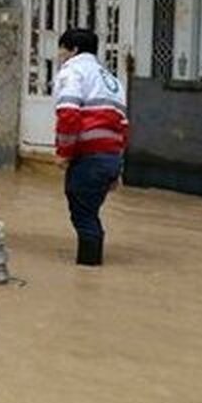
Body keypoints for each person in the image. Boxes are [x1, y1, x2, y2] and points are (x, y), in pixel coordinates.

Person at [54, 28, 128, 266]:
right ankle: (90, 263)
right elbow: (124, 126)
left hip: (89, 156)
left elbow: (68, 114)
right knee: (89, 210)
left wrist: (63, 152)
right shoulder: (112, 80)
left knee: (83, 214)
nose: (59, 55)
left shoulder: (73, 71)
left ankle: (89, 268)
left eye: (62, 49)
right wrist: (118, 168)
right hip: (110, 157)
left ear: (73, 49)